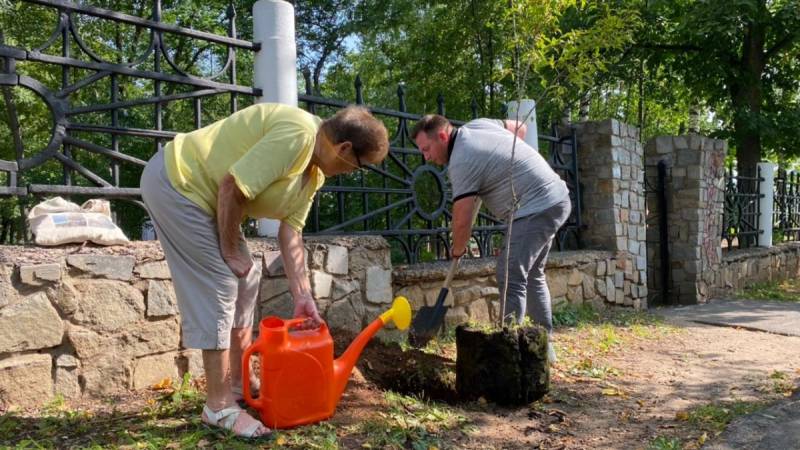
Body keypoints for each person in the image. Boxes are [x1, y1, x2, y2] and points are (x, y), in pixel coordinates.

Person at [140, 103, 389, 438]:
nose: (354, 172)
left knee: (247, 277)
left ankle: (240, 383)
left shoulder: (313, 171)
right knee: (222, 281)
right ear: (344, 148)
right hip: (178, 183)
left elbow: (291, 233)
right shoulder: (298, 135)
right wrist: (230, 250)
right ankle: (218, 406)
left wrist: (303, 297)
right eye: (360, 165)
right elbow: (232, 186)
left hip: (209, 199)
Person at [411, 114, 570, 362]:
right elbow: (520, 128)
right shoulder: (478, 125)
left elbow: (461, 219)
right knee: (532, 274)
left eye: (426, 149)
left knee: (510, 273)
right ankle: (544, 347)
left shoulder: (461, 161)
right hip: (556, 198)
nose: (426, 157)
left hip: (535, 206)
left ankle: (509, 350)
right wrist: (501, 161)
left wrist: (457, 249)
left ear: (442, 136)